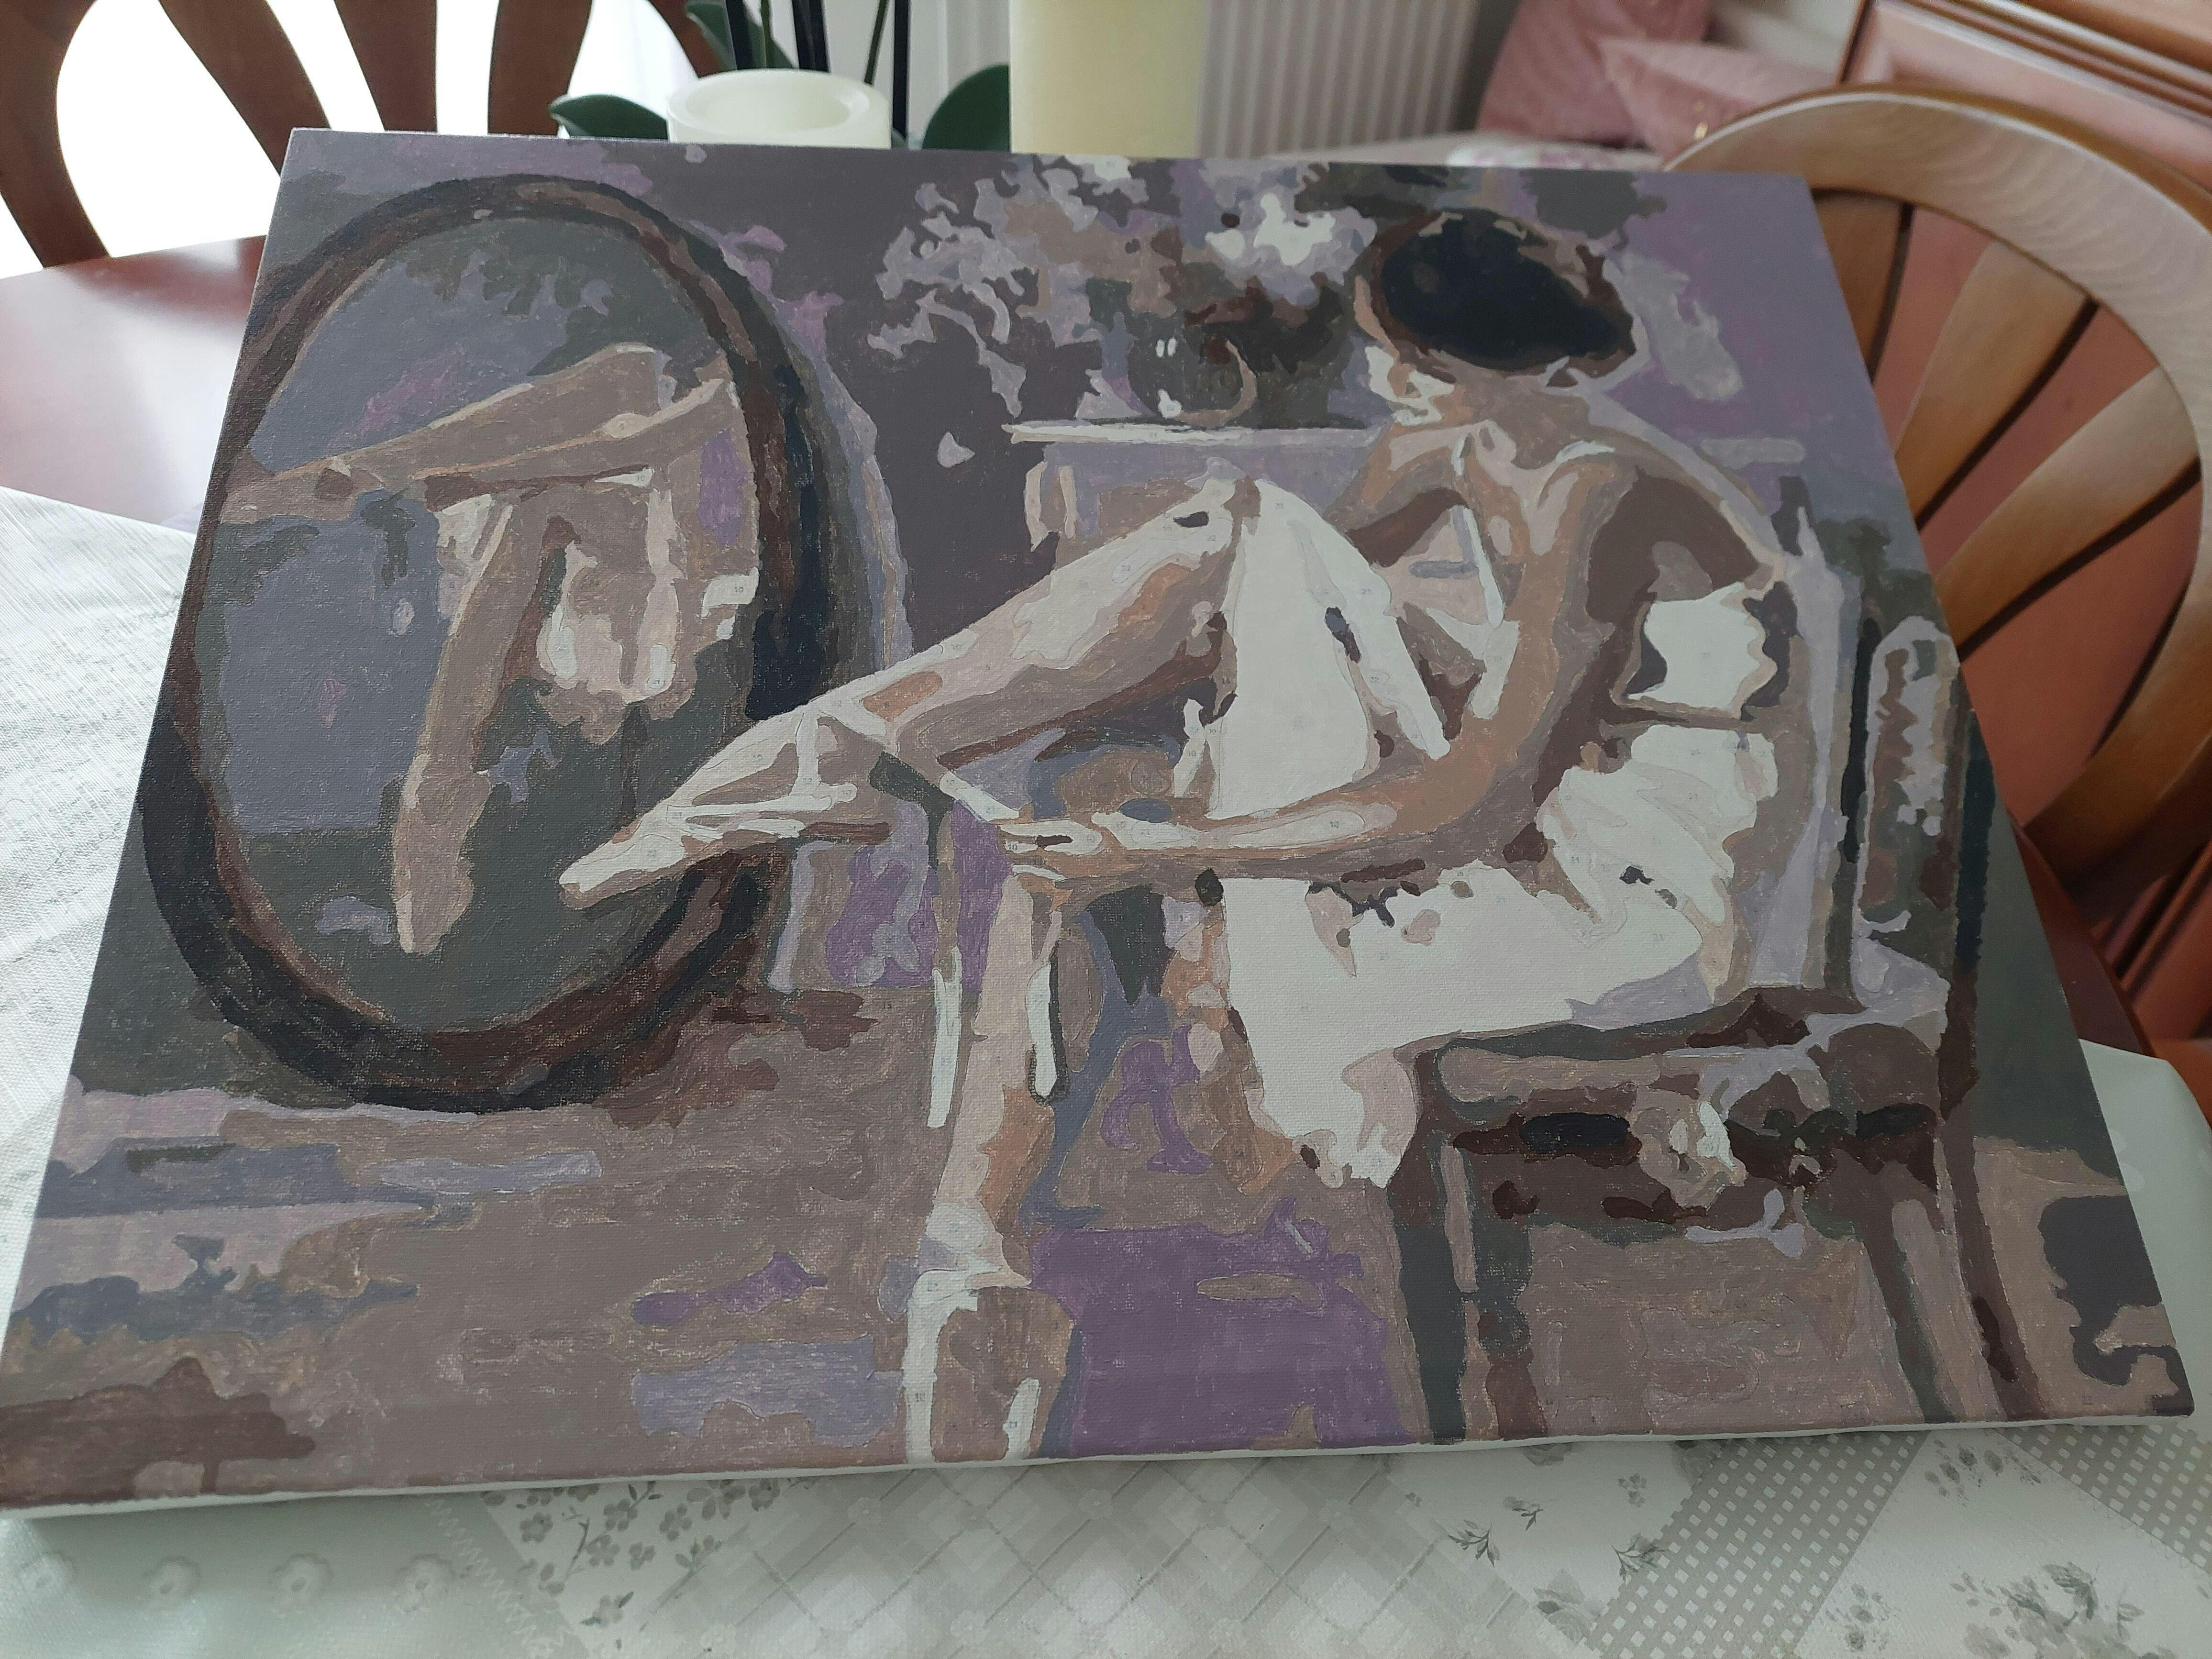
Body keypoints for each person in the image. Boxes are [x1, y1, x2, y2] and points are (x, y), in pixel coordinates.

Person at [560, 207, 1816, 1458]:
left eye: (1417, 364)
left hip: (1630, 906)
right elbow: (1283, 600)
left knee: (1183, 652)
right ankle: (971, 1256)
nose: (1386, 381)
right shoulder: (1469, 446)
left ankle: (839, 759)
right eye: (1386, 351)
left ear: (1511, 370)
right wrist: (1164, 734)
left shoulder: (1598, 493)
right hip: (1550, 828)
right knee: (1180, 630)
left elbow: (1478, 800)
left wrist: (1169, 849)